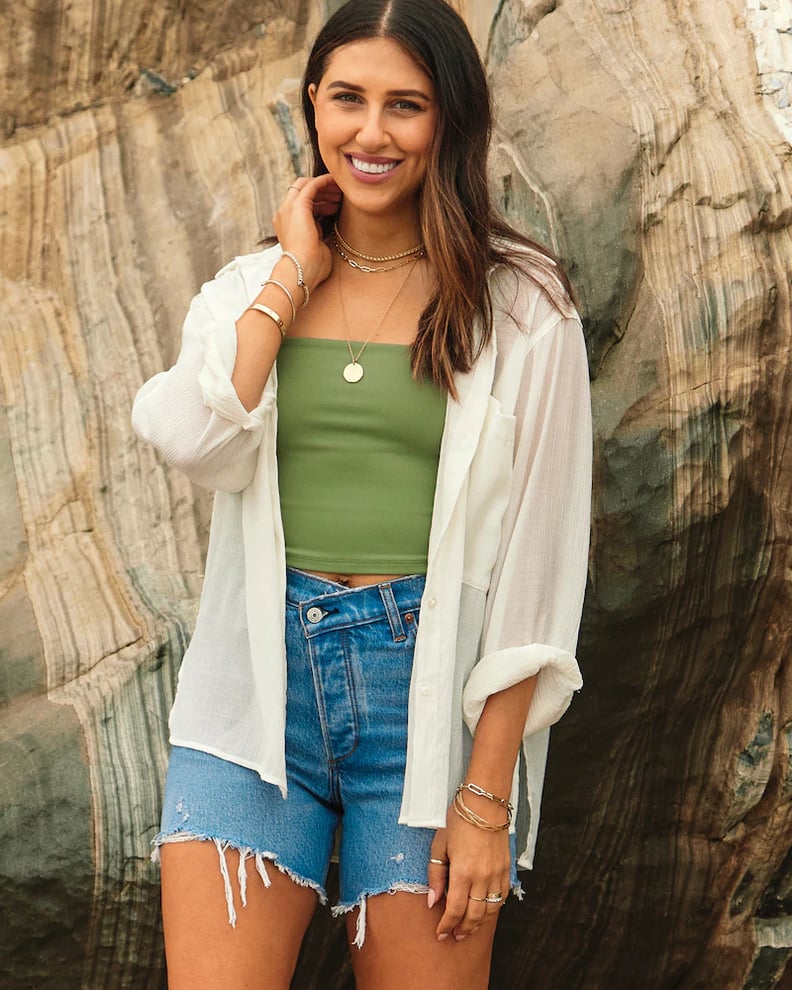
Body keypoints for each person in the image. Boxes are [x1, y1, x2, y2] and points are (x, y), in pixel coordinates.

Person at [131, 0, 592, 986]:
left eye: (405, 106)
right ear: (313, 106)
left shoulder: (522, 305)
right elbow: (193, 437)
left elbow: (537, 570)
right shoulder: (251, 289)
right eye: (348, 99)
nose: (371, 133)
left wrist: (486, 796)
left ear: (449, 123)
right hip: (254, 707)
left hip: (427, 714)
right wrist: (295, 269)